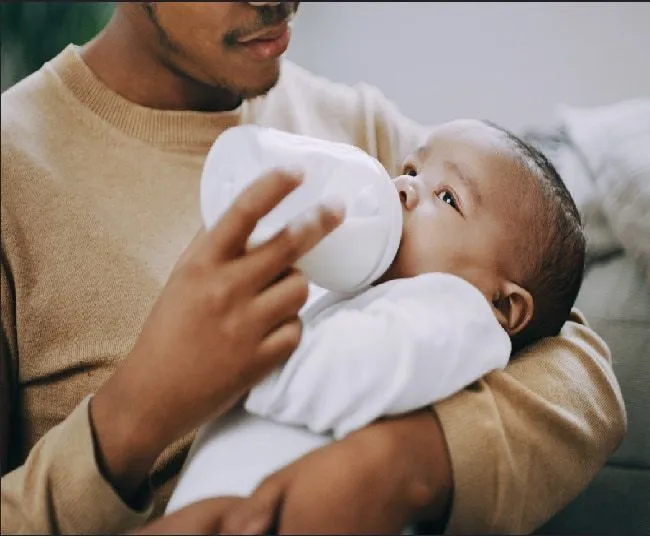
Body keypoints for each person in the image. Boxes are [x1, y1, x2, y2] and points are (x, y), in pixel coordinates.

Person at [0, 2, 626, 534]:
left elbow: (571, 356)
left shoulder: (359, 127)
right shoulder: (13, 175)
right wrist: (137, 413)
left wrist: (409, 464)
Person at [167, 117, 589, 513]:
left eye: (447, 197)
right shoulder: (357, 281)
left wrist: (234, 355)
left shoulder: (458, 314)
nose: (403, 186)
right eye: (411, 168)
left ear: (502, 305)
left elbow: (346, 370)